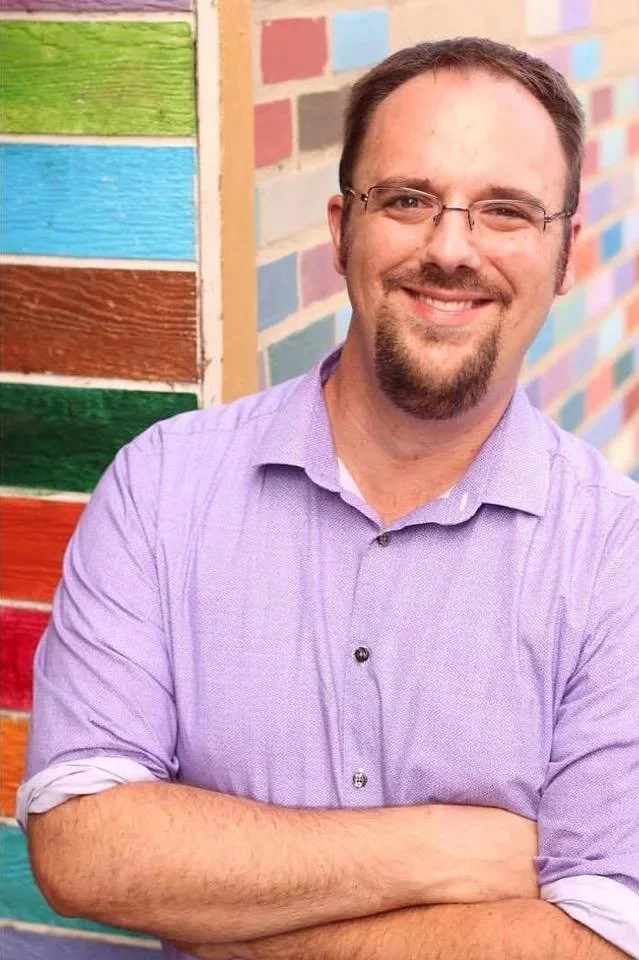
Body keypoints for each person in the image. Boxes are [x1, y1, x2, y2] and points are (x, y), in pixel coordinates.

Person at [18, 36, 639, 960]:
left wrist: (237, 923)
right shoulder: (163, 486)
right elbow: (84, 847)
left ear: (563, 255)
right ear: (341, 228)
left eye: (505, 211)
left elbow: (601, 939)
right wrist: (448, 851)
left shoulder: (616, 554)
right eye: (407, 199)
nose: (450, 249)